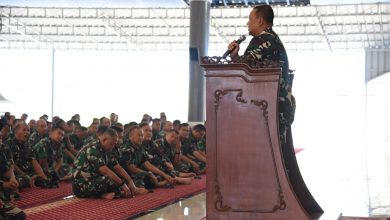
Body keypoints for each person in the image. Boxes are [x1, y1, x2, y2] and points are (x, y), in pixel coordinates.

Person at [227, 5, 294, 151]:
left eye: (250, 19)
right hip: (278, 105)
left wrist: (234, 57)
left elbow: (244, 70)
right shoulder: (273, 38)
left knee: (268, 155)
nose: (247, 23)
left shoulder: (262, 39)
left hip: (270, 107)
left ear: (260, 21)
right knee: (277, 155)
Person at [72, 127, 135, 199]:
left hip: (96, 179)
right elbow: (104, 170)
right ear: (104, 140)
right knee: (110, 180)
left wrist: (130, 181)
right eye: (112, 144)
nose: (113, 146)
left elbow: (117, 167)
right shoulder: (93, 148)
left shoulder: (107, 149)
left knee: (120, 180)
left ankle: (110, 193)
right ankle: (101, 195)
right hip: (81, 184)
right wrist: (122, 184)